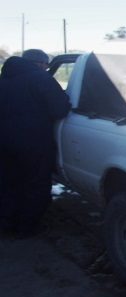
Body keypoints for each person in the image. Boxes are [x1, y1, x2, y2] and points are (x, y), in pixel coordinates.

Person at [0, 49, 71, 237]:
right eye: (46, 64)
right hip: (33, 142)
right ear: (39, 63)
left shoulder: (4, 79)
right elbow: (60, 109)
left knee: (8, 182)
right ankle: (26, 228)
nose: (46, 68)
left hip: (4, 142)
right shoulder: (41, 78)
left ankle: (6, 224)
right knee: (36, 183)